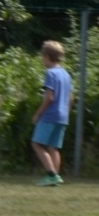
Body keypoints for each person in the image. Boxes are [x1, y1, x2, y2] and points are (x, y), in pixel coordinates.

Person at [31, 40, 73, 186]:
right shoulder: (66, 74)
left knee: (37, 143)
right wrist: (65, 113)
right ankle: (56, 176)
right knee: (53, 147)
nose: (42, 59)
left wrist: (38, 114)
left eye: (42, 56)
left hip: (50, 115)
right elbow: (70, 97)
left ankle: (51, 174)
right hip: (62, 116)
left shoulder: (51, 73)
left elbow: (49, 97)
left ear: (47, 56)